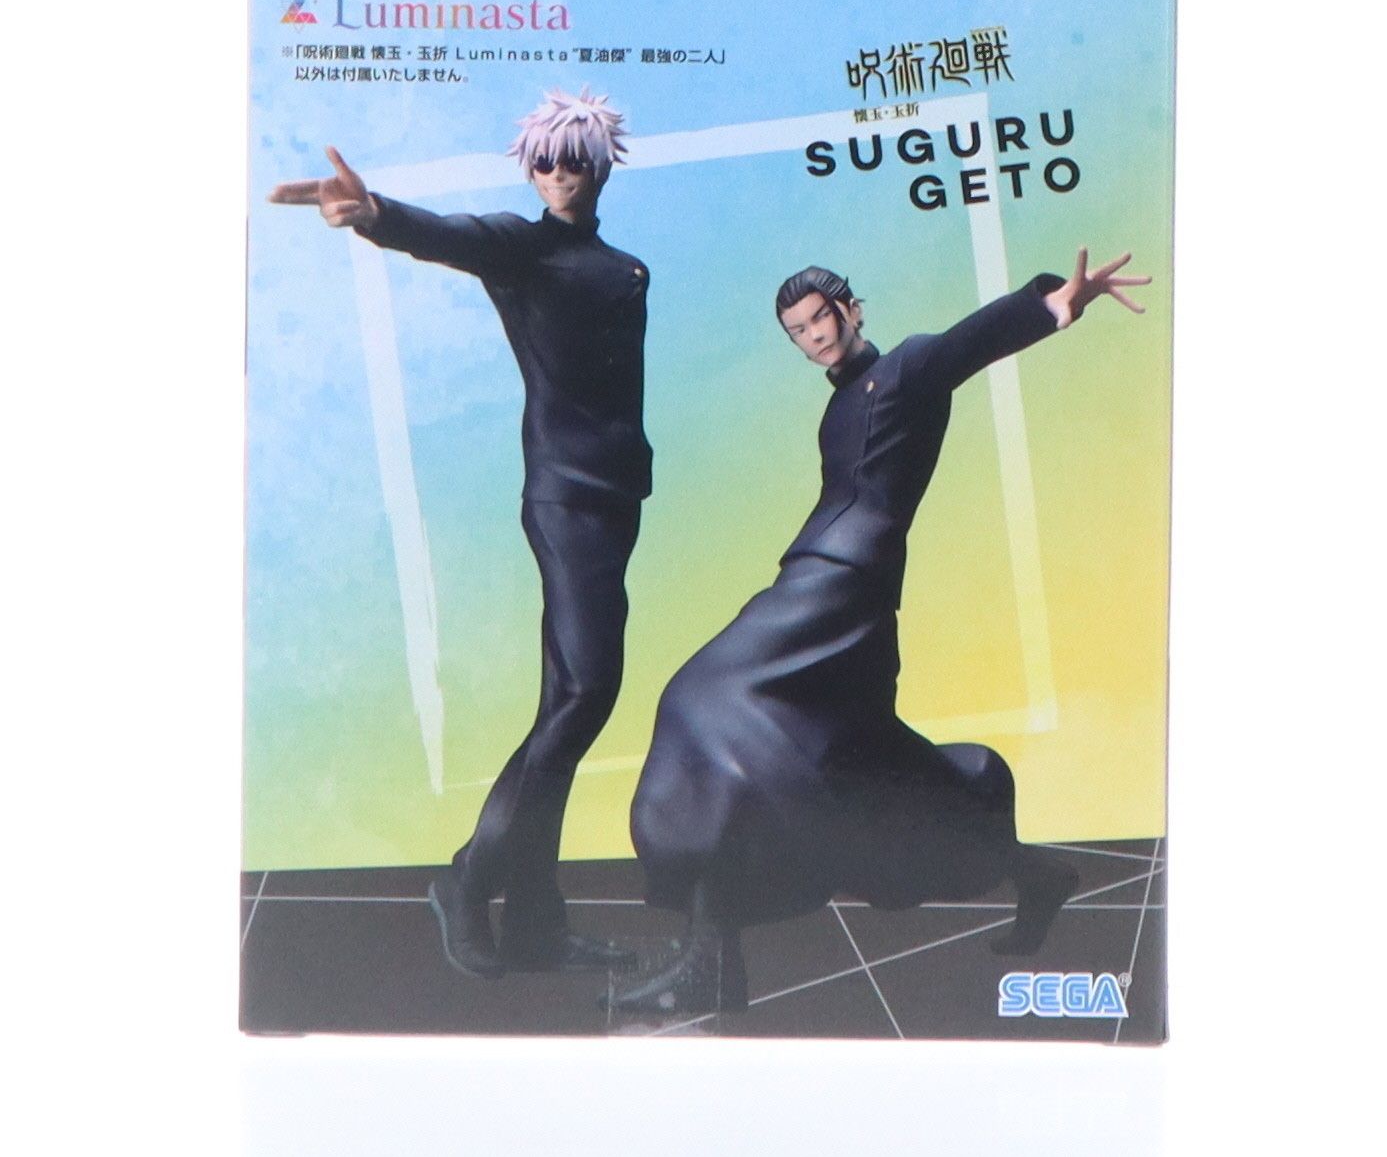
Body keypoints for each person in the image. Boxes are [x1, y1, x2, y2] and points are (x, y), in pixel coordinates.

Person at [612, 249, 1151, 1015]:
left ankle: (711, 960)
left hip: (842, 590)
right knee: (857, 766)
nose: (812, 337)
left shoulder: (905, 369)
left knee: (705, 701)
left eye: (819, 318)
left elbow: (967, 344)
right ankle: (1032, 873)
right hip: (816, 580)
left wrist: (1053, 304)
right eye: (796, 331)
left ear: (851, 309)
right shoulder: (837, 407)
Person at [269, 88, 649, 978]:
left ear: (600, 165)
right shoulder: (519, 248)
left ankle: (537, 925)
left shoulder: (628, 268)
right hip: (563, 499)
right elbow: (448, 235)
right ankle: (469, 877)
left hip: (620, 498)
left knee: (563, 707)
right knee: (586, 693)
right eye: (542, 159)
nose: (556, 172)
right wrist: (375, 214)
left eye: (573, 158)